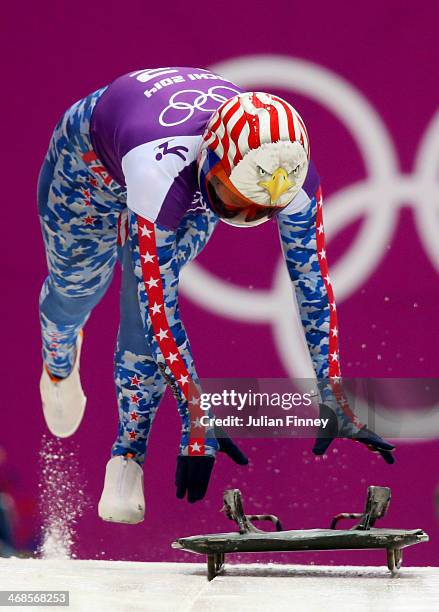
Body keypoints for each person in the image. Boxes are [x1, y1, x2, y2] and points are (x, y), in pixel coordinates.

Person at [38, 67, 395, 525]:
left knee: (134, 298)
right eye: (234, 202)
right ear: (209, 159)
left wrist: (333, 395)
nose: (246, 216)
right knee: (77, 292)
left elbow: (313, 286)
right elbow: (159, 312)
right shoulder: (159, 169)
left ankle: (126, 456)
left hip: (193, 189)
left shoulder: (290, 176)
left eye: (261, 211)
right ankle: (58, 362)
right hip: (86, 170)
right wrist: (196, 411)